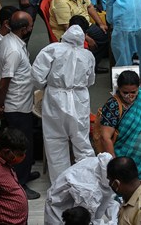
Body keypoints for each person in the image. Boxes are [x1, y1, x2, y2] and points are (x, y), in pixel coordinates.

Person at [32, 24, 96, 183]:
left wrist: (46, 86)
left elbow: (37, 75)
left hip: (55, 98)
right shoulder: (88, 55)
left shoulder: (52, 49)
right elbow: (90, 80)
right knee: (82, 141)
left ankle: (61, 186)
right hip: (79, 98)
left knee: (55, 142)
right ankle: (87, 182)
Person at [0, 10, 40, 199]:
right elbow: (5, 80)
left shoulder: (9, 41)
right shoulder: (13, 49)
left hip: (20, 101)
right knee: (21, 145)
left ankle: (24, 173)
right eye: (30, 25)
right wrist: (0, 105)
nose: (31, 28)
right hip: (17, 105)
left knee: (9, 140)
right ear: (23, 29)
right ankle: (19, 184)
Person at [99, 71, 141, 187]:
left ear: (138, 88)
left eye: (133, 92)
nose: (129, 96)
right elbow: (105, 137)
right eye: (125, 92)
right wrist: (115, 165)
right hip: (128, 161)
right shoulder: (113, 106)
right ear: (118, 89)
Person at [48, 0, 109, 72]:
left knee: (105, 33)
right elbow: (68, 28)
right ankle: (91, 66)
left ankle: (94, 58)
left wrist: (101, 23)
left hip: (84, 24)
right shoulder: (61, 2)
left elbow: (89, 6)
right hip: (71, 31)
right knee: (104, 38)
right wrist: (87, 38)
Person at [44, 153, 120, 225]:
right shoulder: (90, 191)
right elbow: (86, 220)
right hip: (59, 206)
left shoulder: (101, 165)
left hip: (72, 200)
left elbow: (108, 199)